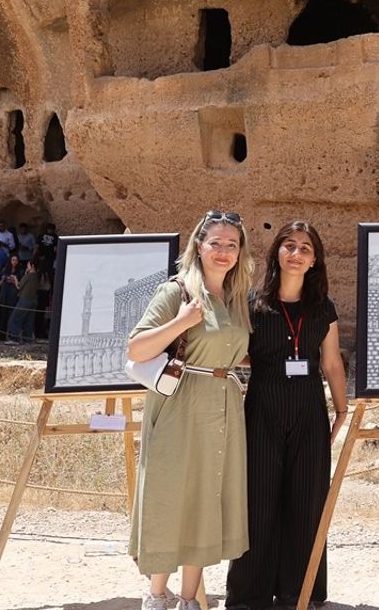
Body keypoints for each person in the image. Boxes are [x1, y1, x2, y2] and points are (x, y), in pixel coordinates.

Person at [127, 210, 254, 610]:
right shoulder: (176, 292)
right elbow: (136, 349)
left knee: (207, 494)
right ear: (198, 246)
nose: (223, 251)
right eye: (215, 242)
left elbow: (234, 351)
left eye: (231, 245)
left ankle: (189, 600)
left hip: (223, 406)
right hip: (181, 403)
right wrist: (180, 323)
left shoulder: (235, 298)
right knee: (171, 494)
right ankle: (156, 596)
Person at [224, 220, 348, 610]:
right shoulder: (252, 303)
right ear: (276, 252)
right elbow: (236, 351)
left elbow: (331, 363)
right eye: (289, 246)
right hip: (262, 406)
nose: (297, 254)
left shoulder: (322, 308)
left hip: (309, 408)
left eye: (305, 249)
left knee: (307, 501)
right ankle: (250, 595)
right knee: (257, 502)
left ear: (315, 261)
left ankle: (302, 591)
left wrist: (342, 409)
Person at [6, 258, 40, 344]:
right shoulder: (37, 276)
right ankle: (27, 339)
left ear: (32, 266)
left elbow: (19, 286)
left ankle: (14, 338)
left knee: (15, 318)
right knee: (29, 320)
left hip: (25, 299)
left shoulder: (28, 275)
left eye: (28, 265)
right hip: (34, 300)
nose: (27, 266)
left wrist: (15, 278)